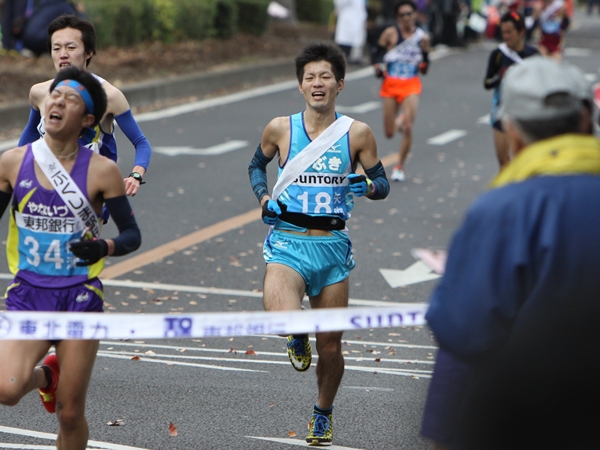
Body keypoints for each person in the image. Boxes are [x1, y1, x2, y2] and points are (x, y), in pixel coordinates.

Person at [422, 57, 600, 449]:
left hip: (525, 419)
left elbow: (463, 336)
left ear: (513, 134)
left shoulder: (502, 211)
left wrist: (441, 431)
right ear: (586, 122)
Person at [248, 42, 390, 445]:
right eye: (310, 77)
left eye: (325, 76)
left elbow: (382, 184)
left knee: (330, 347)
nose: (317, 83)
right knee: (281, 316)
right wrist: (263, 198)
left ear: (340, 84)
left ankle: (323, 413)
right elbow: (256, 164)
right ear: (300, 86)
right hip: (287, 243)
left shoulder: (356, 133)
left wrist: (365, 184)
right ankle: (296, 334)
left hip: (331, 247)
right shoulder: (280, 128)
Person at [0, 66, 141, 450]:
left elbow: (131, 235)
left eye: (71, 98)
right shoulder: (13, 162)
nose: (58, 101)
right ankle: (48, 376)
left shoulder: (102, 171)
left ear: (88, 120)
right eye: (55, 95)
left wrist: (104, 247)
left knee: (69, 412)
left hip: (79, 296)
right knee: (6, 390)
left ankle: (56, 387)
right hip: (28, 294)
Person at [18, 14, 151, 200]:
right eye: (56, 48)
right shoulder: (39, 92)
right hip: (47, 186)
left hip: (90, 194)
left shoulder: (109, 96)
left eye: (71, 47)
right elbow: (31, 133)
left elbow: (141, 143)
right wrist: (18, 167)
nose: (63, 54)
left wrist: (136, 175)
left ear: (89, 52)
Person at [372, 0, 430, 181]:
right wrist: (378, 67)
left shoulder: (422, 38)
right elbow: (376, 53)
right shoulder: (390, 33)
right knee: (389, 132)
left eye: (409, 14)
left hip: (411, 84)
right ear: (398, 17)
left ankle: (399, 166)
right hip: (390, 84)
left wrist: (423, 63)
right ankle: (399, 120)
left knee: (408, 127)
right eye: (402, 15)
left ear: (415, 15)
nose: (406, 18)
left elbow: (426, 66)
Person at [483, 11, 538, 168]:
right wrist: (500, 77)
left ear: (521, 32)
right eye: (503, 32)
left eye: (509, 32)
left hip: (525, 113)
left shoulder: (533, 55)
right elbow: (487, 83)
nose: (506, 37)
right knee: (504, 163)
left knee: (523, 161)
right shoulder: (498, 54)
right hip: (501, 111)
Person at [334, 0, 367, 65]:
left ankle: (352, 58)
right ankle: (345, 58)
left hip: (354, 16)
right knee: (347, 39)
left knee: (353, 39)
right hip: (349, 15)